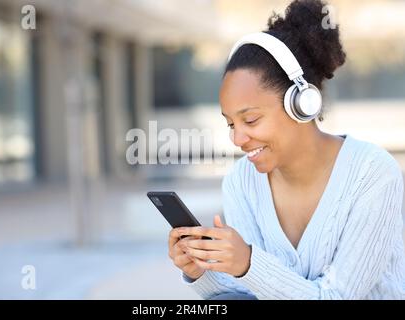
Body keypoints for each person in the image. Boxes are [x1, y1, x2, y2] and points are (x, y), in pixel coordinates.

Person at [168, 0, 405, 300]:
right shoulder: (241, 180)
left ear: (301, 104)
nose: (237, 138)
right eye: (230, 124)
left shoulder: (372, 174)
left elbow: (337, 297)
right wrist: (199, 271)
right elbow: (247, 291)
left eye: (250, 119)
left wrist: (249, 263)